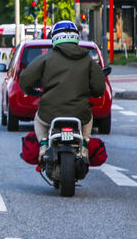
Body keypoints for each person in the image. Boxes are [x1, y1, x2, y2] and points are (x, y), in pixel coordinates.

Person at [19, 20, 106, 158]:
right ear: (76, 37)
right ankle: (84, 144)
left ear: (54, 37)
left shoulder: (46, 58)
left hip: (50, 112)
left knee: (38, 119)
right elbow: (100, 88)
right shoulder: (88, 60)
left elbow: (25, 80)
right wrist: (93, 93)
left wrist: (30, 90)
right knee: (89, 118)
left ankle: (42, 145)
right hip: (80, 112)